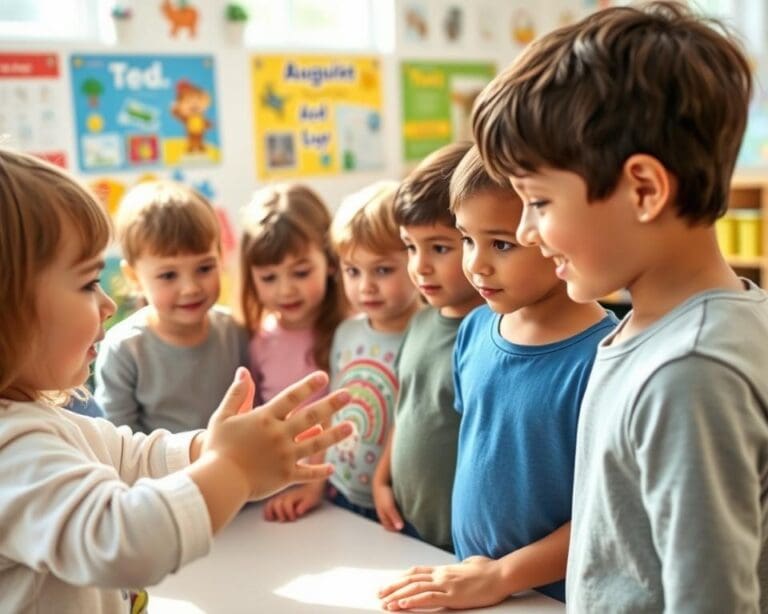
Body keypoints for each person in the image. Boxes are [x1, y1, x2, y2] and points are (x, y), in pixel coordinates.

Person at [471, 2, 768, 611]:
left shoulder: (689, 371)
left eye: (539, 202)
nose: (527, 231)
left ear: (643, 190)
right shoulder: (668, 328)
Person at [0, 148, 353, 613]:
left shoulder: (38, 421)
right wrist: (236, 468)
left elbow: (131, 454)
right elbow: (120, 542)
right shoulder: (11, 450)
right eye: (88, 283)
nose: (108, 305)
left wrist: (210, 448)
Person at [379, 146, 617, 610]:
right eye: (467, 240)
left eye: (501, 244)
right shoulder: (474, 330)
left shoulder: (604, 358)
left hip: (553, 599)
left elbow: (606, 516)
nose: (477, 265)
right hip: (472, 586)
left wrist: (502, 576)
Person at [265, 180, 422, 523]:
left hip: (399, 504)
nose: (366, 286)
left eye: (382, 270)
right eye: (353, 270)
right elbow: (331, 410)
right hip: (341, 495)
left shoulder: (425, 333)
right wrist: (314, 483)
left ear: (415, 257)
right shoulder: (347, 332)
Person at [372, 141, 483, 552]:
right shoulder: (419, 323)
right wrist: (382, 479)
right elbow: (407, 409)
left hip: (467, 546)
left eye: (439, 248)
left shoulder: (493, 332)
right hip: (411, 532)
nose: (419, 266)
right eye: (409, 247)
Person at [94, 180, 248, 433]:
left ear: (220, 259)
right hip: (162, 471)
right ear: (134, 277)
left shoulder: (236, 331)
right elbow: (118, 439)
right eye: (168, 275)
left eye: (205, 268)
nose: (190, 288)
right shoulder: (124, 348)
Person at [239, 183, 347, 406]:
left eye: (301, 272)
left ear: (330, 261)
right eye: (269, 278)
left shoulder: (351, 329)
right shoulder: (258, 343)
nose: (286, 290)